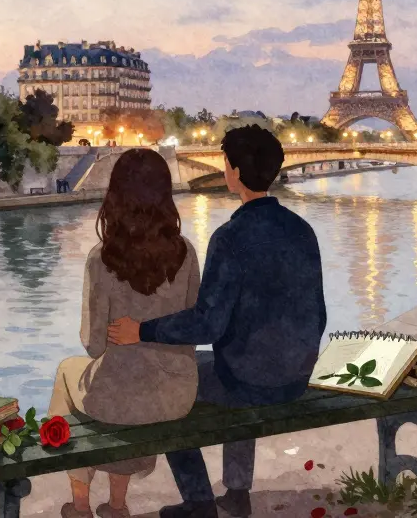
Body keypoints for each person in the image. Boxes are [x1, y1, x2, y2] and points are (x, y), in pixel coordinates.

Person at [107, 125, 326, 518]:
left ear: (236, 172)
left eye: (226, 163)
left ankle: (199, 501)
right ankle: (237, 493)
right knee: (237, 363)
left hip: (250, 381)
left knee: (170, 387)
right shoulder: (302, 230)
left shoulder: (230, 237)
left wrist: (142, 330)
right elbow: (317, 313)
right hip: (296, 376)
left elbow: (208, 325)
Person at [47, 148, 201, 518]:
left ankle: (81, 503)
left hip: (124, 396)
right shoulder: (187, 253)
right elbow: (191, 328)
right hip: (177, 395)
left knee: (71, 373)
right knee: (132, 381)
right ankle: (116, 505)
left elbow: (93, 342)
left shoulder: (101, 258)